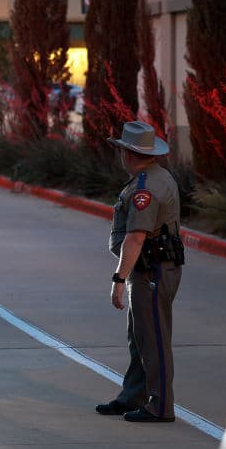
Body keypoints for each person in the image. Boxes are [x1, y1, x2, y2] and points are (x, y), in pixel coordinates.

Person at [96, 121, 183, 423]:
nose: (120, 155)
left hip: (152, 271)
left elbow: (136, 237)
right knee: (140, 336)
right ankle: (133, 396)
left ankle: (160, 406)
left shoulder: (145, 188)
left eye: (121, 149)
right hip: (150, 269)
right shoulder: (154, 177)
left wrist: (118, 279)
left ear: (129, 153)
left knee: (154, 339)